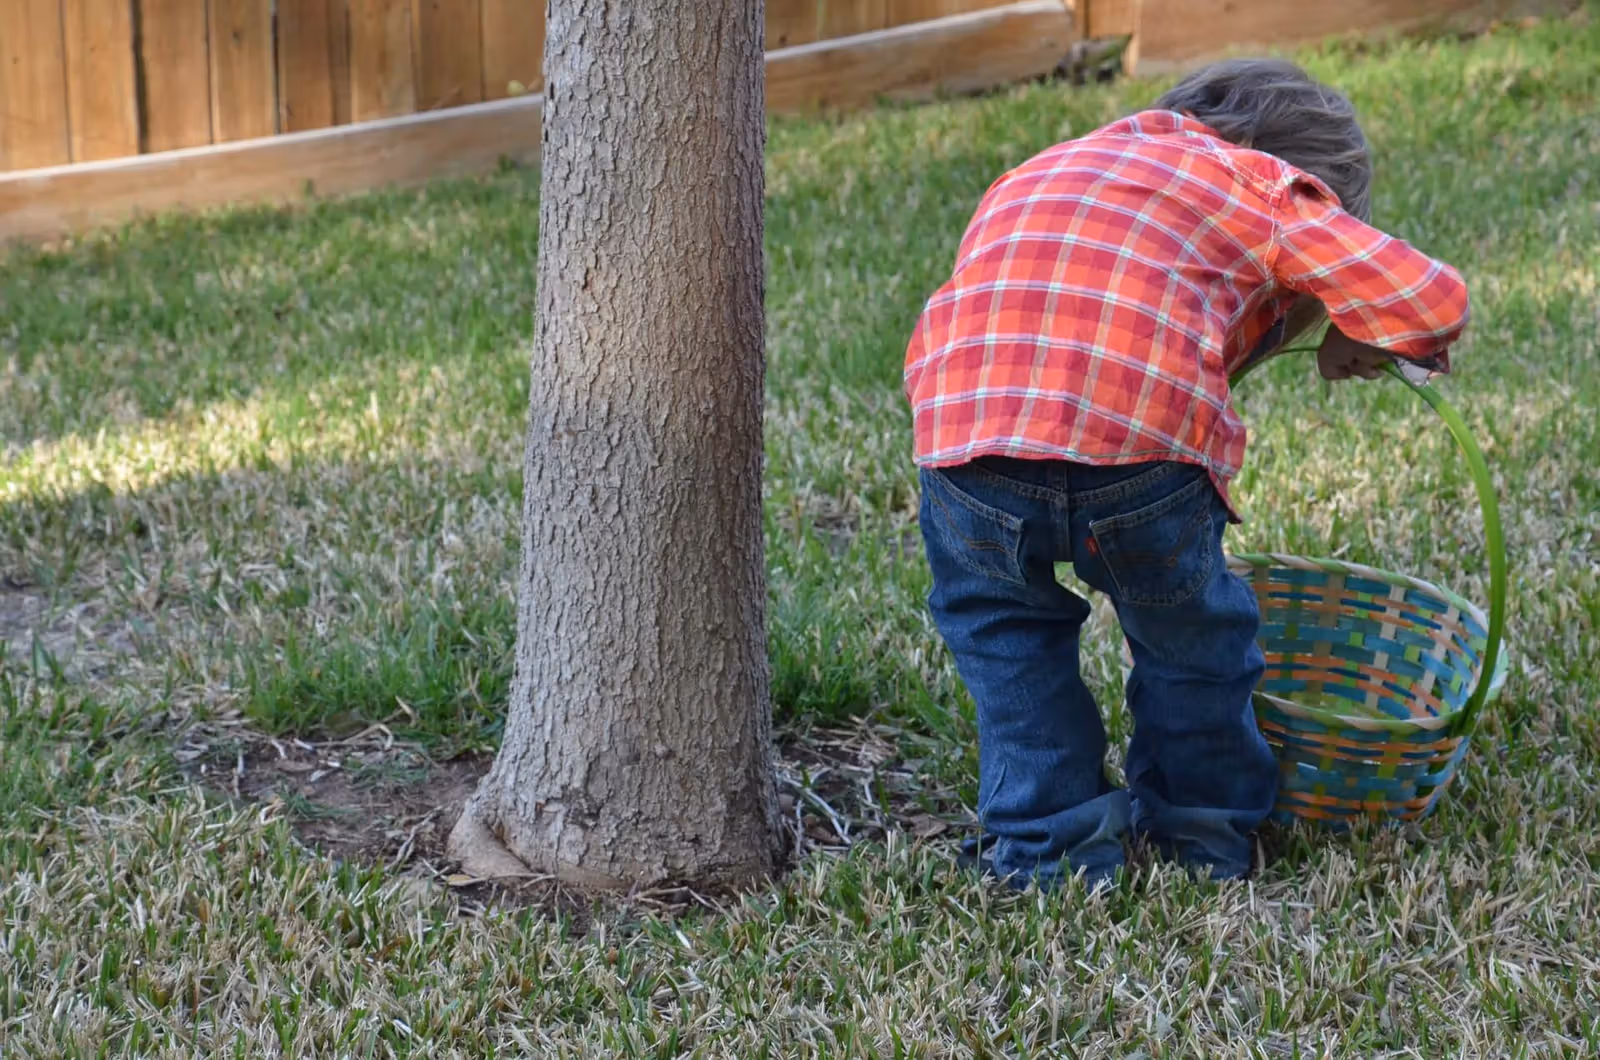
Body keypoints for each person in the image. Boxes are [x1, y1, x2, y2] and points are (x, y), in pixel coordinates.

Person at [904, 58, 1470, 891]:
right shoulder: (1262, 184)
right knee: (1193, 643)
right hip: (1140, 449)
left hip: (966, 433)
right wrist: (1358, 319)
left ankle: (1047, 854)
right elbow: (1432, 297)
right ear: (1311, 179)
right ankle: (1198, 839)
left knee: (1006, 644)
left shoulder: (1049, 165)